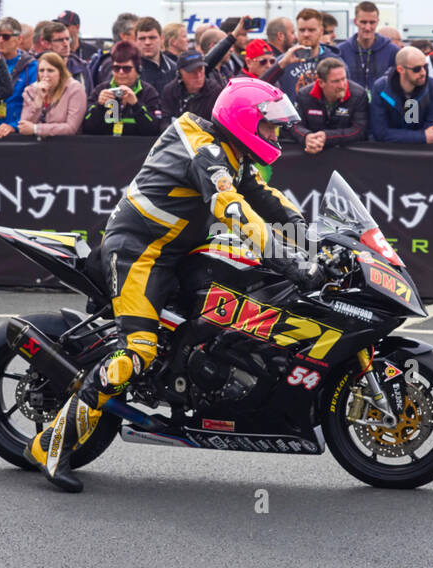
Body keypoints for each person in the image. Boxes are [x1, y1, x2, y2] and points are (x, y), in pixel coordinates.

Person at [23, 77, 319, 492]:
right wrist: (292, 262)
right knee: (138, 352)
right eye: (269, 126)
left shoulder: (230, 154)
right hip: (138, 253)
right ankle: (50, 445)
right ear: (245, 122)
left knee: (232, 304)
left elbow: (266, 198)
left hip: (180, 251)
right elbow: (232, 209)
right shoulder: (207, 154)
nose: (277, 134)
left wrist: (310, 238)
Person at [80, 40, 161, 136]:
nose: (121, 72)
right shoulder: (101, 90)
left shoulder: (148, 92)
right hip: (105, 147)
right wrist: (99, 106)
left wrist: (136, 105)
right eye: (116, 68)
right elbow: (87, 128)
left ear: (138, 69)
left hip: (138, 148)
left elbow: (155, 130)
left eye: (126, 68)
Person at [292, 57, 368, 153]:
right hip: (311, 153)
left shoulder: (358, 94)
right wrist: (306, 137)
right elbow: (294, 125)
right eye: (336, 81)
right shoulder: (304, 95)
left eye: (344, 79)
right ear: (321, 83)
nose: (342, 85)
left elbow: (359, 130)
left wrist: (327, 136)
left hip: (346, 155)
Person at [368, 46, 433, 143]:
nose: (423, 72)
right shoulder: (381, 88)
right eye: (417, 69)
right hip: (388, 152)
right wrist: (421, 137)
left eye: (425, 66)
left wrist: (402, 136)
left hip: (422, 152)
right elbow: (380, 133)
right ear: (400, 69)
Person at [9, 51, 86, 139]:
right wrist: (38, 100)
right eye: (41, 71)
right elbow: (24, 126)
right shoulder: (30, 90)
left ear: (60, 72)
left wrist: (36, 129)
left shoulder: (75, 89)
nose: (45, 75)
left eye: (50, 70)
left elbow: (71, 128)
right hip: (36, 148)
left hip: (67, 146)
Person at [275, 8, 341, 101]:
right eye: (302, 30)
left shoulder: (334, 61)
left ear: (321, 31)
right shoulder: (283, 62)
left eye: (311, 30)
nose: (306, 34)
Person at [0, 17, 39, 134]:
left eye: (6, 37)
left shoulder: (32, 66)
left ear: (19, 39)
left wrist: (14, 126)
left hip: (17, 131)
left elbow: (35, 105)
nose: (0, 40)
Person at [339, 1, 397, 93]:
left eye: (372, 22)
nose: (367, 27)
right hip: (352, 104)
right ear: (355, 22)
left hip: (381, 104)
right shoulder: (341, 51)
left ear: (377, 22)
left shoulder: (392, 51)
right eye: (363, 22)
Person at [158, 50, 223, 131]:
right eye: (192, 71)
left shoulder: (215, 91)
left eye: (200, 69)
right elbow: (165, 122)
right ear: (180, 73)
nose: (198, 75)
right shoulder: (170, 91)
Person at [134, 16, 178, 93]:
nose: (147, 42)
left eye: (152, 38)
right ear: (135, 41)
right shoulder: (128, 70)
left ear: (162, 39)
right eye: (142, 38)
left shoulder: (173, 69)